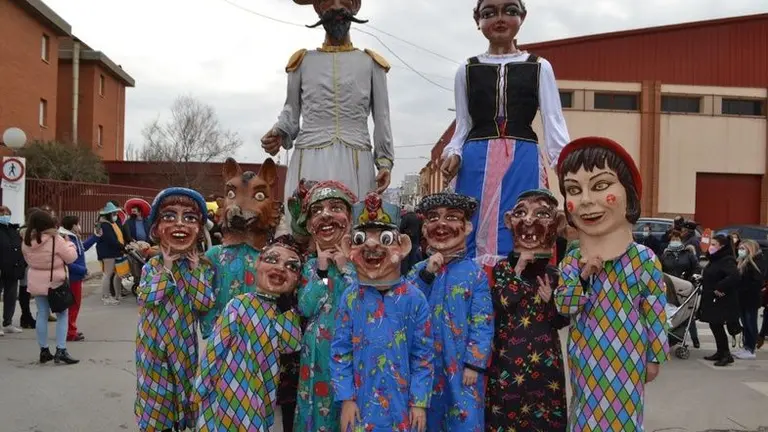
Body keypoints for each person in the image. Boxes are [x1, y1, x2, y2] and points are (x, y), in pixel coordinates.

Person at [440, 0, 569, 266]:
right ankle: (472, 286)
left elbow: (553, 122)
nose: (499, 19)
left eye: (510, 11)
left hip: (522, 158)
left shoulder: (539, 66)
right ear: (478, 21)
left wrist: (567, 167)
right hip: (475, 160)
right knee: (471, 226)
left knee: (523, 222)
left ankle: (520, 286)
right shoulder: (466, 69)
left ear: (523, 17)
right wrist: (453, 152)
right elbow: (462, 125)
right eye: (489, 13)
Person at [554, 137, 669, 430]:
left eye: (601, 185)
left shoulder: (644, 259)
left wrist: (654, 356)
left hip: (629, 358)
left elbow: (655, 312)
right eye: (574, 190)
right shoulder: (572, 261)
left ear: (628, 193)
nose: (586, 200)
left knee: (625, 420)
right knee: (583, 417)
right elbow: (564, 305)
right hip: (585, 357)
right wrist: (583, 276)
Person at [261, 0, 394, 222]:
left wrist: (385, 162)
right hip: (309, 157)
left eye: (344, 1)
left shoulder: (371, 63)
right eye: (328, 2)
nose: (336, 7)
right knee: (307, 223)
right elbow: (291, 111)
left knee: (353, 224)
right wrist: (280, 132)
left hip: (356, 159)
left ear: (355, 6)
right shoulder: (302, 62)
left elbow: (382, 118)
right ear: (318, 9)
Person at [331, 192, 434, 432]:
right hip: (360, 404)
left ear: (403, 246)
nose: (371, 245)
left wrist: (419, 402)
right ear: (348, 248)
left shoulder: (415, 299)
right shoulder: (350, 298)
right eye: (360, 239)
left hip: (402, 406)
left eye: (385, 238)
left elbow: (423, 355)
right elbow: (340, 351)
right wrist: (346, 398)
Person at [195, 235, 303, 431]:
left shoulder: (284, 312)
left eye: (291, 266)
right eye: (273, 260)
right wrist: (202, 385)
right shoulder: (238, 304)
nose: (280, 268)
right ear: (257, 263)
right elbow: (215, 347)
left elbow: (291, 344)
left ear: (296, 278)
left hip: (262, 391)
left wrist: (286, 308)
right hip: (229, 386)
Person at [407, 192, 492, 431]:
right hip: (424, 365)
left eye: (452, 217)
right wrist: (427, 274)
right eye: (433, 218)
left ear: (467, 227)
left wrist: (474, 363)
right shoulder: (417, 271)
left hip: (461, 365)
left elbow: (482, 321)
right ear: (425, 228)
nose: (441, 224)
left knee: (464, 417)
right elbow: (404, 307)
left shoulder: (475, 274)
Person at [486, 189, 569, 431]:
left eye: (541, 214)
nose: (529, 220)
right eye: (521, 213)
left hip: (544, 365)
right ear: (509, 221)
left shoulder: (554, 274)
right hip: (509, 361)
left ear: (557, 224)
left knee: (544, 418)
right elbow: (501, 304)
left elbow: (560, 321)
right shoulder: (503, 269)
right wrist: (518, 270)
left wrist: (551, 301)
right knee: (506, 416)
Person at [135, 187, 216, 432]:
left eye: (189, 218)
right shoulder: (152, 266)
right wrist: (167, 269)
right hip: (152, 345)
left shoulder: (201, 268)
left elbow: (204, 303)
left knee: (182, 393)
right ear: (156, 229)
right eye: (169, 216)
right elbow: (147, 298)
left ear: (199, 230)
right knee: (155, 398)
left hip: (183, 344)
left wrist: (194, 271)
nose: (180, 224)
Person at [292, 181, 357, 432]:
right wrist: (322, 269)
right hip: (316, 353)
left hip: (351, 349)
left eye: (335, 207)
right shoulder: (310, 266)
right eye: (317, 211)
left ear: (350, 218)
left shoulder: (363, 262)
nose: (326, 215)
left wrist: (344, 267)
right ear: (310, 224)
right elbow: (307, 307)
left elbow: (360, 302)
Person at [20, 209, 79, 365]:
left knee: (42, 314)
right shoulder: (55, 239)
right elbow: (71, 257)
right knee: (62, 314)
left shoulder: (26, 240)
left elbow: (26, 259)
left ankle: (44, 350)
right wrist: (70, 244)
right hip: (55, 281)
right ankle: (61, 349)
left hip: (36, 279)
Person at [698, 234, 741, 366]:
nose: (710, 247)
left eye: (714, 244)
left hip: (721, 299)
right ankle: (720, 351)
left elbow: (734, 276)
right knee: (714, 325)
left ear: (721, 246)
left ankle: (726, 354)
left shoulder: (727, 260)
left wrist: (720, 287)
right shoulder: (715, 259)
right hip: (712, 297)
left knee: (717, 325)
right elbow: (713, 274)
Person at [59, 216, 97, 342]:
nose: (79, 226)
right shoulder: (67, 239)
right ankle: (70, 332)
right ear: (73, 225)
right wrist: (83, 270)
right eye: (78, 224)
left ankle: (71, 329)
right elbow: (68, 262)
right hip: (72, 276)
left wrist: (95, 237)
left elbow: (82, 248)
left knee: (74, 305)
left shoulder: (73, 237)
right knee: (73, 305)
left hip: (76, 276)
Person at [660, 229, 700, 347]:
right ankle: (672, 337)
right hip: (670, 287)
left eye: (677, 239)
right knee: (672, 313)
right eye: (673, 240)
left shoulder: (688, 254)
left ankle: (694, 338)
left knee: (687, 312)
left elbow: (696, 267)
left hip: (686, 287)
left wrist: (694, 277)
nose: (675, 241)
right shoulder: (665, 255)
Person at [732, 240, 765, 360]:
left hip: (751, 299)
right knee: (745, 324)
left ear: (750, 249)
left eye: (743, 248)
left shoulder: (756, 262)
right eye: (740, 248)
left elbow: (756, 282)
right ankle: (746, 346)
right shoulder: (743, 261)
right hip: (742, 298)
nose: (740, 251)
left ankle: (751, 348)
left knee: (750, 323)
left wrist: (741, 288)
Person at [0, 205, 25, 335]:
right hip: (1, 268)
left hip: (13, 268)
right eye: (2, 214)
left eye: (6, 213)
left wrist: (21, 263)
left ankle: (8, 322)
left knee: (11, 296)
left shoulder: (13, 229)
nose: (5, 216)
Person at [95, 202, 126, 305]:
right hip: (108, 253)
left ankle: (112, 295)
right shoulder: (105, 225)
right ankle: (106, 297)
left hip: (108, 252)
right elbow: (111, 240)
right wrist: (122, 247)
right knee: (107, 275)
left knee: (109, 274)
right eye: (114, 214)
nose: (115, 216)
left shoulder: (103, 224)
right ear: (109, 214)